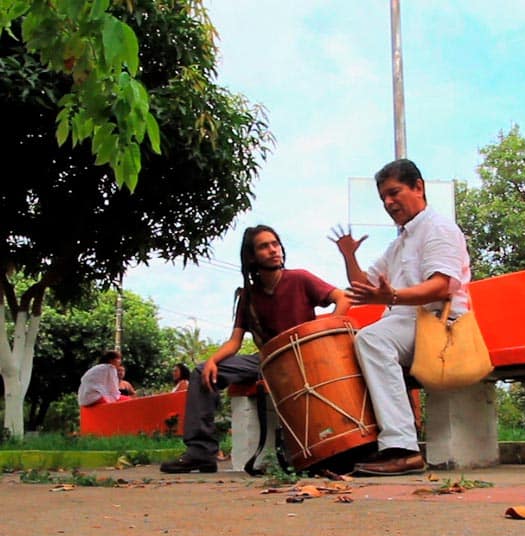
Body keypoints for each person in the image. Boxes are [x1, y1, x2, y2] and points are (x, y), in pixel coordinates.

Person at [160, 224, 350, 474]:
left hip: (301, 358)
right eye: (264, 246)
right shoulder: (249, 296)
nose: (274, 250)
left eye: (275, 244)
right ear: (251, 256)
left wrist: (320, 336)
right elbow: (235, 341)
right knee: (200, 372)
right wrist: (212, 361)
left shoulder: (300, 278)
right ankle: (200, 453)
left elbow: (343, 298)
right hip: (265, 359)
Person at [329, 159, 471, 475]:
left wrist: (391, 297)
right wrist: (349, 255)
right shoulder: (400, 243)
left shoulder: (439, 228)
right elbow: (363, 285)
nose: (389, 203)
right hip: (409, 325)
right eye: (383, 199)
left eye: (394, 193)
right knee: (357, 342)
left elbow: (442, 287)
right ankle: (363, 442)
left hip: (442, 324)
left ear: (418, 187)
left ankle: (402, 448)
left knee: (372, 339)